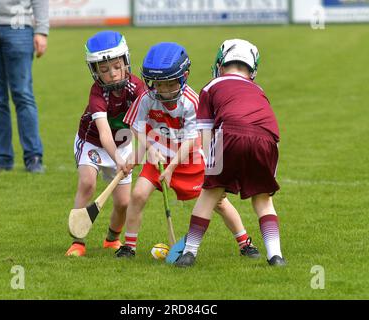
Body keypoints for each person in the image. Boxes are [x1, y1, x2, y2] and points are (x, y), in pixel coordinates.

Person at [115, 42, 260, 259]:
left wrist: (173, 167)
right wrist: (147, 151)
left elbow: (193, 139)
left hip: (189, 159)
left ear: (183, 77)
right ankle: (129, 246)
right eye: (158, 84)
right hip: (158, 157)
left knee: (218, 202)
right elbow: (135, 127)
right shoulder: (147, 98)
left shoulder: (191, 101)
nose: (162, 91)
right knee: (138, 195)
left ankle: (244, 243)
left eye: (169, 84)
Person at [174, 39, 286, 267]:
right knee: (263, 200)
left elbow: (205, 134)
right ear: (252, 68)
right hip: (269, 139)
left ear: (221, 64)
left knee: (209, 195)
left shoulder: (211, 87)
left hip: (231, 133)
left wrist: (213, 175)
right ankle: (275, 256)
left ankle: (189, 253)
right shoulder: (258, 89)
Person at [65, 31, 145, 257]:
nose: (112, 74)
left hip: (123, 144)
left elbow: (144, 126)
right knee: (87, 183)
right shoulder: (97, 93)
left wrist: (135, 155)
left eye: (117, 66)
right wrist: (119, 160)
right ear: (95, 71)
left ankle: (112, 239)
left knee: (122, 202)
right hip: (92, 143)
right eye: (104, 69)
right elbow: (104, 133)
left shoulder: (138, 89)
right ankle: (77, 241)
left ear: (126, 61)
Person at [0, 0, 49, 173]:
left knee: (23, 95)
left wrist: (42, 30)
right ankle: (2, 159)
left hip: (17, 25)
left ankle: (34, 158)